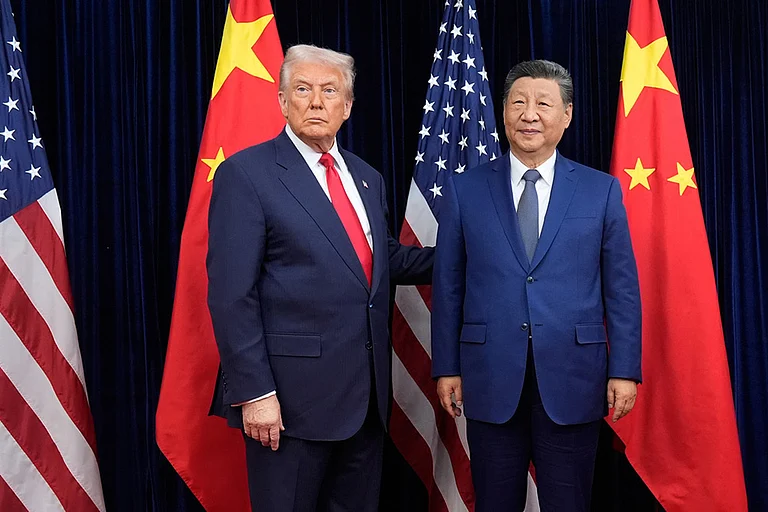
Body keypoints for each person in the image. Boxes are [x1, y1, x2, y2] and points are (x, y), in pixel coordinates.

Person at [206, 44, 434, 512]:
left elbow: (381, 261)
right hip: (288, 405)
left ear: (347, 106)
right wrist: (255, 394)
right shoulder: (246, 175)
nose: (316, 102)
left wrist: (476, 254)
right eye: (303, 89)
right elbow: (232, 296)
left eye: (329, 91)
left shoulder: (366, 177)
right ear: (282, 100)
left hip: (366, 402)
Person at [431, 60, 642, 512]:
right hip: (489, 378)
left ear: (566, 115)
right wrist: (446, 366)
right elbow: (449, 284)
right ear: (502, 112)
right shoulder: (465, 189)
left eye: (543, 103)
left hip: (574, 377)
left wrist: (624, 369)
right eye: (518, 102)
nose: (530, 114)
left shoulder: (599, 190)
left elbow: (621, 289)